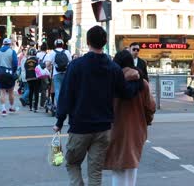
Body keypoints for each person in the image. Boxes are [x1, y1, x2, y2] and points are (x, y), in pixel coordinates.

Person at [53, 26, 140, 186]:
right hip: (103, 128)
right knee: (95, 171)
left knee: (72, 163)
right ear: (105, 42)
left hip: (80, 126)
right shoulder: (113, 68)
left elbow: (66, 95)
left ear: (87, 42)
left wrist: (59, 121)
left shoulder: (76, 65)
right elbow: (126, 93)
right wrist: (138, 79)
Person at [104, 50, 156, 186]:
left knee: (117, 167)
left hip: (115, 129)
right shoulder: (142, 83)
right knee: (132, 164)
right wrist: (147, 120)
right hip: (136, 129)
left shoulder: (110, 82)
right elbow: (150, 107)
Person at [0, 38, 18, 116]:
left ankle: (3, 109)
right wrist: (13, 71)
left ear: (3, 43)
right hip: (10, 73)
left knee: (2, 92)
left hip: (1, 73)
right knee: (11, 91)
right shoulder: (12, 52)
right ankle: (11, 107)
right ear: (10, 44)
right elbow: (15, 63)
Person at [45, 38, 72, 107]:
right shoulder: (67, 52)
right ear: (62, 44)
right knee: (65, 90)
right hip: (66, 73)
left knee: (57, 90)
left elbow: (48, 64)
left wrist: (48, 68)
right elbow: (71, 63)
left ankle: (58, 106)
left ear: (55, 44)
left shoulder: (53, 52)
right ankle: (66, 104)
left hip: (56, 74)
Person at [23, 48, 41, 112]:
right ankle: (35, 107)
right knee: (36, 92)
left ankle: (30, 107)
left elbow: (25, 68)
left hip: (28, 78)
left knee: (31, 91)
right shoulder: (37, 60)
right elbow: (40, 68)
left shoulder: (27, 60)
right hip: (36, 77)